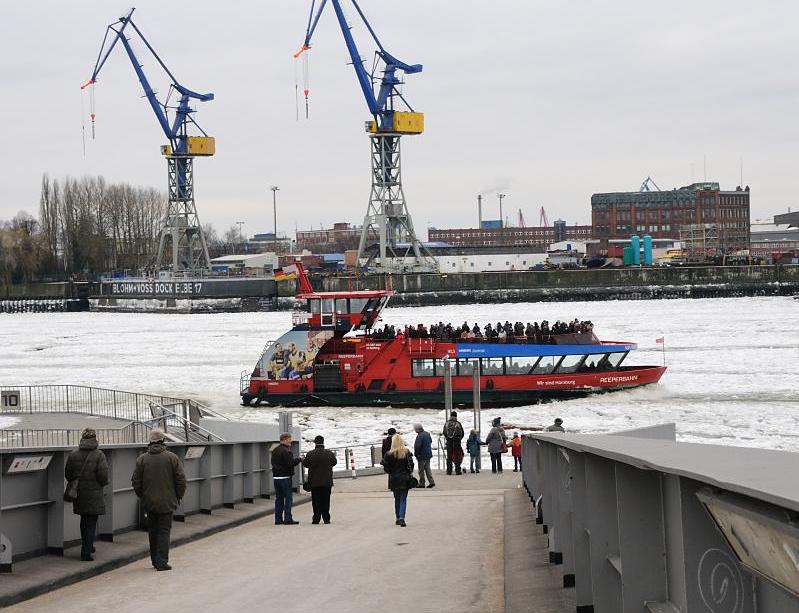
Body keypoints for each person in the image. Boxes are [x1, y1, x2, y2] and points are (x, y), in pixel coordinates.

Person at [131, 429, 187, 571]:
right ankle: (161, 561)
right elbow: (181, 480)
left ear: (150, 442)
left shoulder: (142, 459)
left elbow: (135, 481)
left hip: (149, 501)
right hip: (167, 501)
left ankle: (154, 560)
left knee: (153, 530)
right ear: (163, 441)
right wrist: (178, 496)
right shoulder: (172, 458)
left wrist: (143, 496)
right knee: (163, 531)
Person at [65, 428, 109, 561]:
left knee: (84, 520)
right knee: (91, 522)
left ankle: (88, 545)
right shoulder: (99, 455)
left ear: (82, 439)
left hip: (79, 493)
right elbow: (103, 476)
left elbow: (68, 474)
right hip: (94, 493)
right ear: (95, 439)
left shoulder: (73, 454)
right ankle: (86, 551)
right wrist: (102, 483)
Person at [302, 435, 337, 524]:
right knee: (326, 500)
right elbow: (334, 462)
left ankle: (316, 518)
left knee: (316, 501)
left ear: (315, 443)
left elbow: (305, 464)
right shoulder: (329, 453)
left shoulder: (310, 453)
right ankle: (326, 519)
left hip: (314, 482)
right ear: (323, 442)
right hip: (327, 482)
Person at [381, 434, 414, 527]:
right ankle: (402, 518)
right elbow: (411, 464)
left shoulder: (389, 454)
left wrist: (390, 472)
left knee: (397, 498)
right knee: (403, 498)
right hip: (404, 478)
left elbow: (385, 466)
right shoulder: (406, 452)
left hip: (394, 478)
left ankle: (397, 517)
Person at [271, 432, 303, 525]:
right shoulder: (286, 451)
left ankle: (278, 519)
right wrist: (299, 459)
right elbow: (290, 463)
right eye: (289, 439)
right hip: (285, 477)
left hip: (276, 477)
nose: (291, 441)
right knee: (288, 498)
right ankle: (288, 518)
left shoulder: (275, 450)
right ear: (284, 440)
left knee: (279, 499)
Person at [442, 411, 465, 475]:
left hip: (449, 442)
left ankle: (449, 471)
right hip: (457, 442)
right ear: (456, 416)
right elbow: (462, 433)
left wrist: (448, 438)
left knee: (449, 456)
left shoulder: (446, 423)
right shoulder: (458, 423)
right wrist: (459, 439)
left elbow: (444, 432)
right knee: (457, 456)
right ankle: (458, 471)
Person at [413, 423, 435, 488]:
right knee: (428, 469)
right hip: (428, 454)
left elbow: (417, 447)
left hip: (422, 455)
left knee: (421, 470)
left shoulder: (419, 436)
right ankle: (431, 482)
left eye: (415, 429)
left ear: (417, 429)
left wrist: (416, 454)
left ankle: (422, 483)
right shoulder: (427, 434)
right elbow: (430, 441)